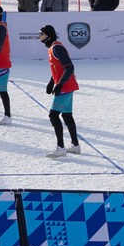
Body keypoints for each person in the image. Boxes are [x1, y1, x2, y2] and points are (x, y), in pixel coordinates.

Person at [39, 24, 81, 154]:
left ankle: (61, 147)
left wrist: (60, 84)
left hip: (66, 86)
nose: (39, 36)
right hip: (66, 85)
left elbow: (69, 67)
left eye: (42, 33)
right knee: (67, 115)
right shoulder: (52, 48)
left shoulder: (57, 48)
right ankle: (75, 145)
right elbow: (58, 68)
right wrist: (52, 82)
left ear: (48, 35)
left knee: (53, 115)